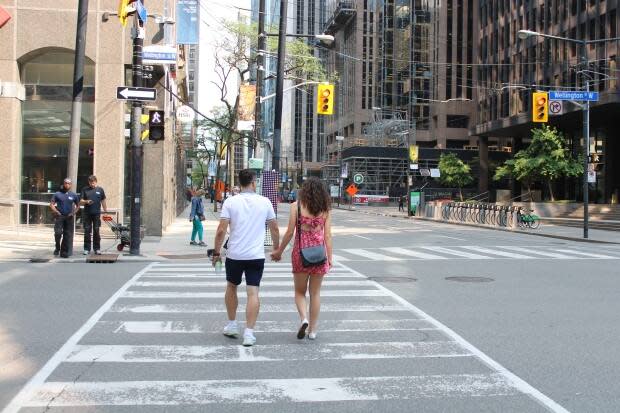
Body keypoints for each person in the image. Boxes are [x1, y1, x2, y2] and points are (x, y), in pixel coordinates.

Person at [212, 169, 280, 347]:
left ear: (240, 183)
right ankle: (249, 334)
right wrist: (277, 249)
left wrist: (216, 253)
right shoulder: (265, 202)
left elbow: (221, 231)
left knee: (231, 286)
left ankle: (232, 325)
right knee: (253, 292)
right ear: (253, 182)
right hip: (256, 255)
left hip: (235, 254)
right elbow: (274, 228)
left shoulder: (231, 202)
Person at [271, 177, 333, 340]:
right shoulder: (325, 209)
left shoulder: (296, 206)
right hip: (320, 255)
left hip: (300, 254)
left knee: (300, 292)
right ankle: (312, 330)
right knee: (315, 293)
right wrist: (330, 258)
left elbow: (290, 232)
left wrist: (279, 251)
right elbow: (327, 236)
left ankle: (303, 319)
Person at [50, 178, 80, 258]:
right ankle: (57, 247)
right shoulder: (57, 194)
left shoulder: (73, 195)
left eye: (69, 183)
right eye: (66, 183)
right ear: (63, 184)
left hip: (68, 217)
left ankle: (64, 252)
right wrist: (56, 211)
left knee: (67, 235)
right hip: (59, 216)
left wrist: (73, 213)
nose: (67, 184)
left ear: (71, 185)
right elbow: (52, 204)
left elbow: (78, 206)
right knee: (58, 233)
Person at [80, 175, 108, 255]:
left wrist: (105, 212)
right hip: (87, 214)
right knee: (87, 231)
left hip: (96, 214)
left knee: (96, 231)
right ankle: (86, 249)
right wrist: (86, 201)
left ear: (96, 181)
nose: (92, 184)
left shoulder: (100, 190)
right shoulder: (84, 189)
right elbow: (81, 201)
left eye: (94, 183)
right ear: (88, 182)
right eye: (91, 183)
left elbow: (103, 201)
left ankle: (97, 248)